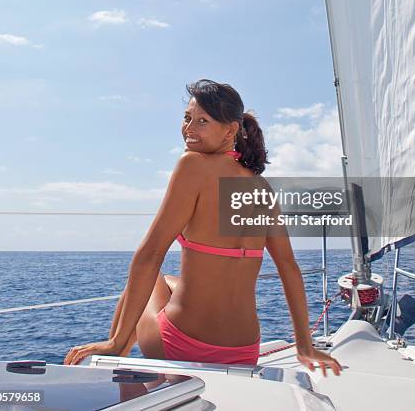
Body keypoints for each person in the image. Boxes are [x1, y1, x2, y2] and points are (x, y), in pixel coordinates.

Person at [64, 79, 341, 376]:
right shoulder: (261, 187)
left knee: (150, 274)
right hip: (244, 353)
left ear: (231, 130)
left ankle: (116, 350)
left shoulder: (192, 165)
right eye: (187, 119)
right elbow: (289, 268)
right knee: (169, 280)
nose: (189, 129)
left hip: (183, 346)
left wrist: (117, 338)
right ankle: (121, 353)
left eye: (202, 121)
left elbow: (150, 253)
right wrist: (304, 346)